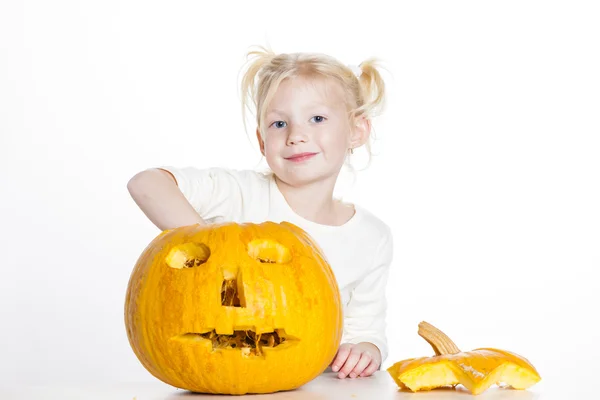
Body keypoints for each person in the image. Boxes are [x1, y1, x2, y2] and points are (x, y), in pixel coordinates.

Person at [127, 47, 393, 379]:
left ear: (357, 130)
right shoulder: (238, 193)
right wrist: (211, 250)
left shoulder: (371, 237)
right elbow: (146, 183)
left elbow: (365, 330)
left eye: (317, 119)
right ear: (262, 141)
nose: (296, 136)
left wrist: (367, 350)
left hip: (312, 387)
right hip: (215, 375)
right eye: (279, 123)